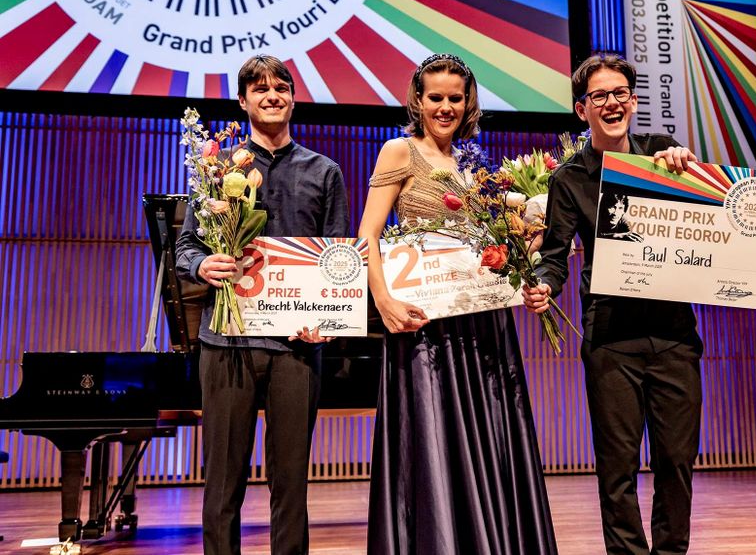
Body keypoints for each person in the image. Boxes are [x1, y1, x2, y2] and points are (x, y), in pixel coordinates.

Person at [360, 53, 558, 554]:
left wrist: (526, 248)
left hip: (481, 324)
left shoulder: (475, 163)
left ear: (467, 102)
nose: (445, 107)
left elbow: (490, 243)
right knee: (432, 438)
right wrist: (381, 300)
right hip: (424, 323)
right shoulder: (399, 152)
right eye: (435, 98)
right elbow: (367, 234)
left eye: (455, 98)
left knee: (487, 436)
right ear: (418, 100)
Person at [523, 53, 701, 555]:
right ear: (583, 110)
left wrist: (687, 171)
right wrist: (542, 285)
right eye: (599, 96)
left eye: (620, 93)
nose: (612, 103)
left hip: (674, 336)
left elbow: (706, 223)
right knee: (617, 467)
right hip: (611, 341)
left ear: (635, 101)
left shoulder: (663, 153)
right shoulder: (569, 179)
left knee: (676, 462)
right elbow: (554, 256)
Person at [176, 55, 349, 555]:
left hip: (297, 346)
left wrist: (329, 319)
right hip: (226, 341)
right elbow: (186, 247)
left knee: (291, 482)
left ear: (293, 97)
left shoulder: (325, 171)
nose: (271, 95)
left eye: (281, 87)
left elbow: (337, 257)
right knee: (222, 481)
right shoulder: (216, 170)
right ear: (243, 101)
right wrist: (202, 266)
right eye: (260, 89)